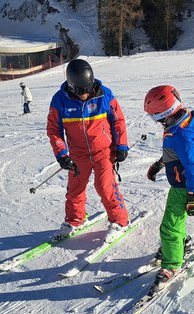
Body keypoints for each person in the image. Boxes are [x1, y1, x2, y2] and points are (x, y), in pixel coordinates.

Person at [46, 58, 130, 242]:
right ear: (71, 86)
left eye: (88, 89)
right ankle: (75, 220)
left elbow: (118, 121)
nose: (86, 94)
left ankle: (120, 220)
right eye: (81, 90)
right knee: (75, 189)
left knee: (105, 186)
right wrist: (62, 155)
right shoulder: (59, 100)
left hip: (104, 152)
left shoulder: (104, 95)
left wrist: (121, 145)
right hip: (78, 154)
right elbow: (54, 130)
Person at [143, 85, 194, 292]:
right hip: (182, 183)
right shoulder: (177, 127)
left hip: (186, 185)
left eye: (156, 117)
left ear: (165, 113)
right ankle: (179, 244)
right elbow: (174, 153)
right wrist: (160, 164)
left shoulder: (182, 135)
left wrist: (193, 195)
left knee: (169, 226)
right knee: (176, 220)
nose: (157, 122)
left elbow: (191, 166)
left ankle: (171, 265)